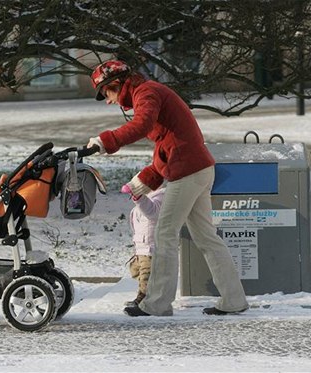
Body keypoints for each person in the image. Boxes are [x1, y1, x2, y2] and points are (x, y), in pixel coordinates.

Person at [87, 60, 248, 316]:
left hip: (187, 172)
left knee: (164, 234)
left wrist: (105, 141)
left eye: (106, 93)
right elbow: (167, 144)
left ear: (115, 83)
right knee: (207, 238)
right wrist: (147, 178)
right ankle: (234, 300)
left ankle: (158, 303)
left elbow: (142, 125)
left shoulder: (146, 93)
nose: (108, 100)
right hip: (199, 169)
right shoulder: (150, 91)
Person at [122, 185, 166, 311]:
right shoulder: (149, 197)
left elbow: (152, 211)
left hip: (150, 247)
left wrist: (139, 197)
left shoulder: (161, 196)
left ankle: (143, 298)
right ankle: (154, 290)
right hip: (140, 246)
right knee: (135, 270)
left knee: (146, 275)